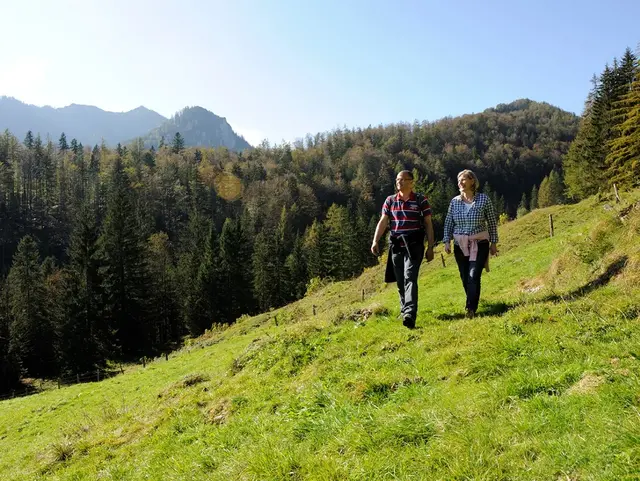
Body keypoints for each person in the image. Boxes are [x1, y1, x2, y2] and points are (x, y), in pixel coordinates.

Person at [371, 170, 434, 329]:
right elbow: (383, 221)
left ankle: (410, 314)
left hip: (414, 244)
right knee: (400, 281)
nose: (400, 182)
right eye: (398, 180)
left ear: (412, 182)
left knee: (409, 277)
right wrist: (375, 241)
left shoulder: (420, 200)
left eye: (404, 180)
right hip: (396, 245)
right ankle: (404, 309)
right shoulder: (390, 200)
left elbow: (428, 223)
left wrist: (431, 247)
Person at [442, 169, 499, 318]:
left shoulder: (483, 200)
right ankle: (472, 301)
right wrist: (447, 241)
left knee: (474, 275)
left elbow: (492, 222)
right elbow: (449, 222)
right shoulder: (454, 202)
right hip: (460, 244)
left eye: (463, 179)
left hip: (479, 243)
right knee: (464, 276)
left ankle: (470, 309)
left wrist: (493, 243)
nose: (460, 183)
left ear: (472, 181)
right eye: (459, 180)